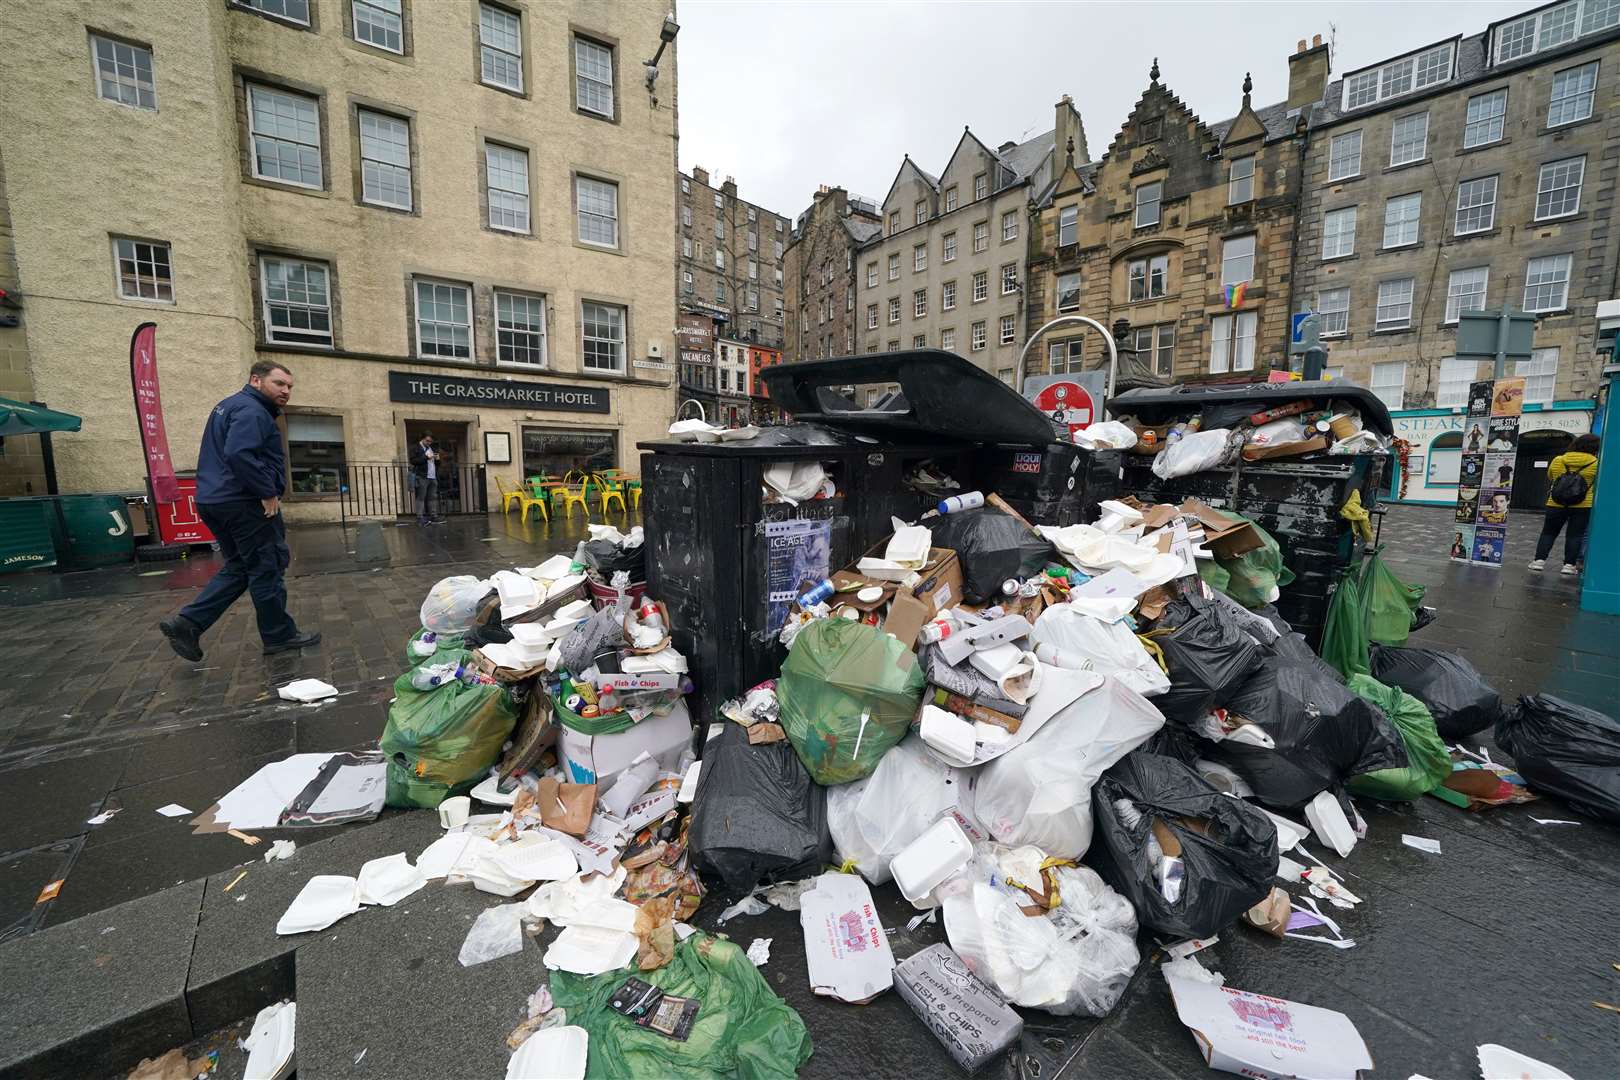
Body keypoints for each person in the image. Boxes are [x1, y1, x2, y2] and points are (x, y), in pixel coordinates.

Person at [159, 362, 319, 660]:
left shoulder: (230, 406)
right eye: (279, 383)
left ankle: (188, 624)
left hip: (215, 500)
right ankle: (279, 636)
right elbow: (239, 453)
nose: (286, 391)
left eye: (289, 386)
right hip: (245, 503)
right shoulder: (253, 411)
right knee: (266, 566)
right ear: (256, 380)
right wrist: (267, 490)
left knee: (240, 568)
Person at [1529, 433, 1599, 575]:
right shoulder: (1596, 463)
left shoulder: (1559, 460)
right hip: (1583, 504)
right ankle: (1569, 565)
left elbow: (1551, 476)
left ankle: (1539, 561)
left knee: (1548, 532)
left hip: (1556, 503)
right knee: (1575, 535)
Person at [409, 433, 444, 525]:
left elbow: (437, 464)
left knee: (432, 497)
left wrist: (437, 459)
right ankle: (420, 517)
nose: (429, 443)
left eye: (430, 441)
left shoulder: (431, 449)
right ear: (422, 439)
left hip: (432, 476)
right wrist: (426, 457)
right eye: (427, 441)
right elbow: (413, 461)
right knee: (421, 497)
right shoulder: (416, 448)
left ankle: (433, 516)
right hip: (422, 476)